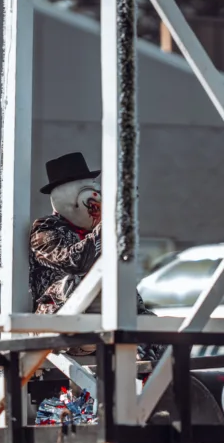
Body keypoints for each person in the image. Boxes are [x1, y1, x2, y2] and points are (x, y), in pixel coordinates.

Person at [29, 152, 161, 360]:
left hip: (104, 318)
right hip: (59, 315)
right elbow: (74, 261)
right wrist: (108, 223)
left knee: (163, 332)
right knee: (84, 282)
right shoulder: (45, 230)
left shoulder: (100, 232)